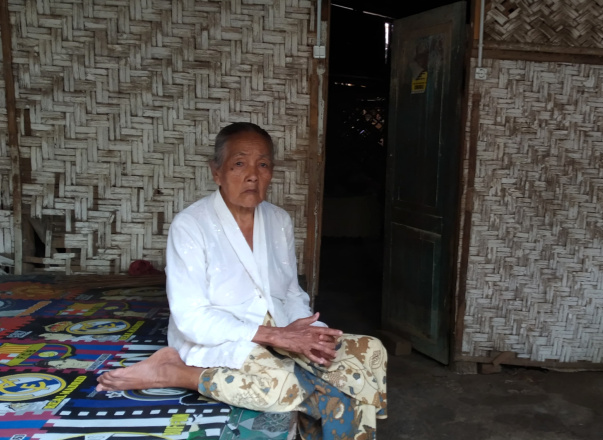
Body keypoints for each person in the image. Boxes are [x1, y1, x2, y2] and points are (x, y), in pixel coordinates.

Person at [96, 122, 387, 439]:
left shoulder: (279, 220)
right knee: (282, 385)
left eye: (262, 164)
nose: (252, 175)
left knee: (371, 352)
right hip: (221, 335)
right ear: (216, 172)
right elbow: (191, 317)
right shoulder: (190, 225)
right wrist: (275, 336)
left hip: (279, 327)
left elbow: (290, 291)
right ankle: (176, 372)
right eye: (239, 163)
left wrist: (307, 330)